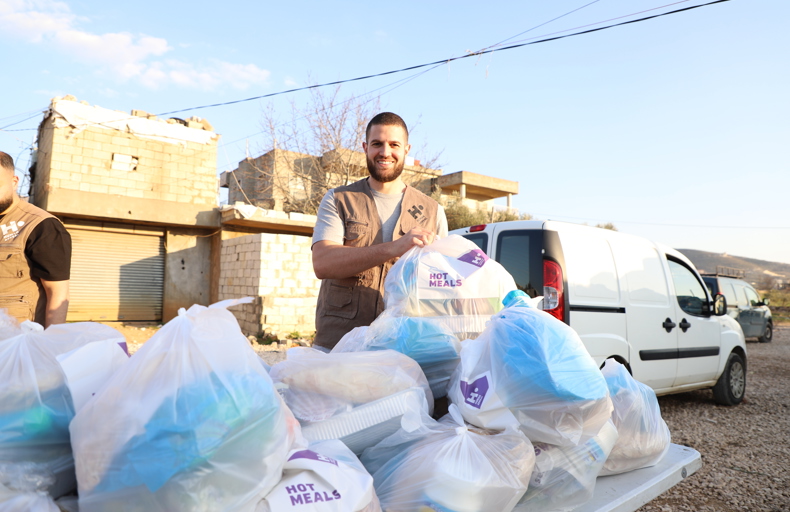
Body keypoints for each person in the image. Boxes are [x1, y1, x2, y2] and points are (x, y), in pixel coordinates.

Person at [311, 112, 448, 351]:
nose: (385, 152)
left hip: (403, 348)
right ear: (365, 147)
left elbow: (443, 285)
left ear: (407, 149)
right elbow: (323, 263)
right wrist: (394, 248)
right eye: (377, 144)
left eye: (394, 144)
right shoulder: (338, 199)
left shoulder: (432, 211)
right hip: (337, 345)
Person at [0, 151, 71, 327]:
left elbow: (57, 292)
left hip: (18, 341)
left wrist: (50, 343)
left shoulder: (41, 225)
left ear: (14, 182)